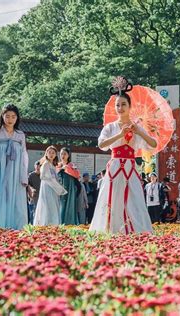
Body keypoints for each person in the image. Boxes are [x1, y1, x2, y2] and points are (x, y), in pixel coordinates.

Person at [89, 77, 156, 234]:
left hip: (130, 167)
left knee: (134, 198)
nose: (120, 107)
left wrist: (140, 132)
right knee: (112, 197)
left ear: (130, 106)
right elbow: (101, 144)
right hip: (114, 166)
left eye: (123, 104)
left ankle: (136, 229)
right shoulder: (110, 127)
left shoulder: (136, 127)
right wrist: (120, 135)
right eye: (117, 105)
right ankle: (111, 229)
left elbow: (152, 144)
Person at [34, 146, 67, 226]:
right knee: (47, 206)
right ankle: (45, 224)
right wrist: (55, 184)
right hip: (47, 188)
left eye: (53, 153)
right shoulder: (45, 164)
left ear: (56, 155)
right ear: (46, 153)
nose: (51, 154)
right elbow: (43, 177)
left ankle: (53, 224)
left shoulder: (52, 165)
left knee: (53, 206)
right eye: (49, 152)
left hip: (53, 188)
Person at [57, 147, 81, 225]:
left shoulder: (71, 165)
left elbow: (77, 174)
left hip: (70, 188)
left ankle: (70, 222)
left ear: (68, 155)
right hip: (60, 187)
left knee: (70, 204)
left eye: (65, 154)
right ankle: (60, 221)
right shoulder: (57, 165)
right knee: (61, 204)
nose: (63, 155)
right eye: (61, 154)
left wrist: (67, 168)